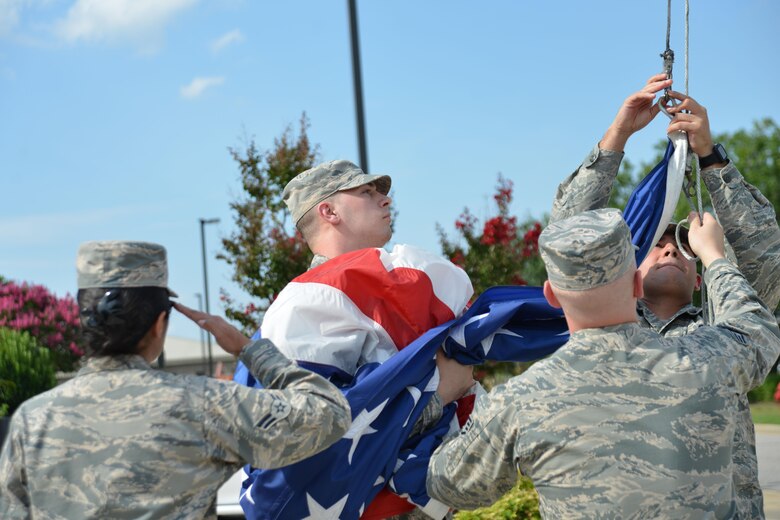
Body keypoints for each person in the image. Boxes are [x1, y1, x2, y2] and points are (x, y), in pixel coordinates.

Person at [426, 208, 780, 517]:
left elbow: (448, 484)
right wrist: (715, 257)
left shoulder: (523, 399)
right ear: (638, 284)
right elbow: (758, 329)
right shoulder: (708, 358)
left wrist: (439, 397)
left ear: (550, 295)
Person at [551, 73, 780, 518]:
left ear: (702, 277)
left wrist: (710, 157)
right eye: (656, 243)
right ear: (629, 270)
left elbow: (764, 254)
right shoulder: (603, 325)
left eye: (683, 246)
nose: (671, 247)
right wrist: (617, 136)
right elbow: (568, 235)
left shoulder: (724, 326)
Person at [0, 240, 351, 519]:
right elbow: (330, 411)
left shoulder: (32, 421)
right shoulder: (204, 403)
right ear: (159, 324)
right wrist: (248, 347)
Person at [237, 160, 475, 518]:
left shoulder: (389, 293)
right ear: (328, 211)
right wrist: (442, 394)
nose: (385, 200)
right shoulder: (304, 312)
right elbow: (327, 442)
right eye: (366, 192)